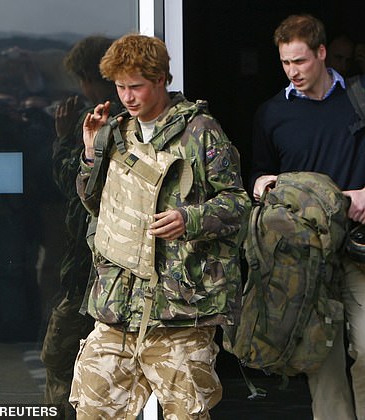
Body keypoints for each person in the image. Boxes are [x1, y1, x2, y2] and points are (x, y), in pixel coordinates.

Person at [68, 33, 251, 419]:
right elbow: (95, 204)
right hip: (118, 307)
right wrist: (90, 151)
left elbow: (237, 203)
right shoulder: (116, 133)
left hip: (179, 311)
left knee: (187, 412)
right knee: (91, 408)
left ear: (161, 80)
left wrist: (189, 218)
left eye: (136, 86)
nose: (127, 97)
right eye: (120, 87)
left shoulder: (200, 131)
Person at [251, 14, 365, 420]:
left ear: (322, 53)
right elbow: (257, 173)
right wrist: (261, 185)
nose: (293, 72)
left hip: (362, 245)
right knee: (320, 358)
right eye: (285, 63)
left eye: (300, 61)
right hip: (304, 253)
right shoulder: (271, 113)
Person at [39, 35, 117, 420]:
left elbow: (75, 180)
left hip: (97, 264)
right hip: (88, 262)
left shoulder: (107, 121)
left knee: (61, 351)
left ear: (90, 76)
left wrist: (62, 139)